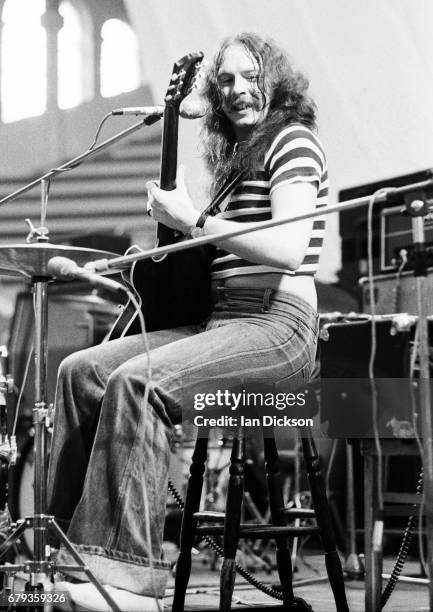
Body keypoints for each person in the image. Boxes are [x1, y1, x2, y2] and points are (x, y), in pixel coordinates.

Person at [48, 32, 328, 611]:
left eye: (251, 77)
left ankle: (128, 582)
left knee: (139, 380)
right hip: (223, 323)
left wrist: (193, 217)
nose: (238, 90)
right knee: (80, 372)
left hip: (279, 329)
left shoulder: (292, 142)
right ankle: (70, 559)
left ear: (276, 83)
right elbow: (207, 262)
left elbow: (290, 248)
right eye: (225, 81)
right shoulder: (235, 163)